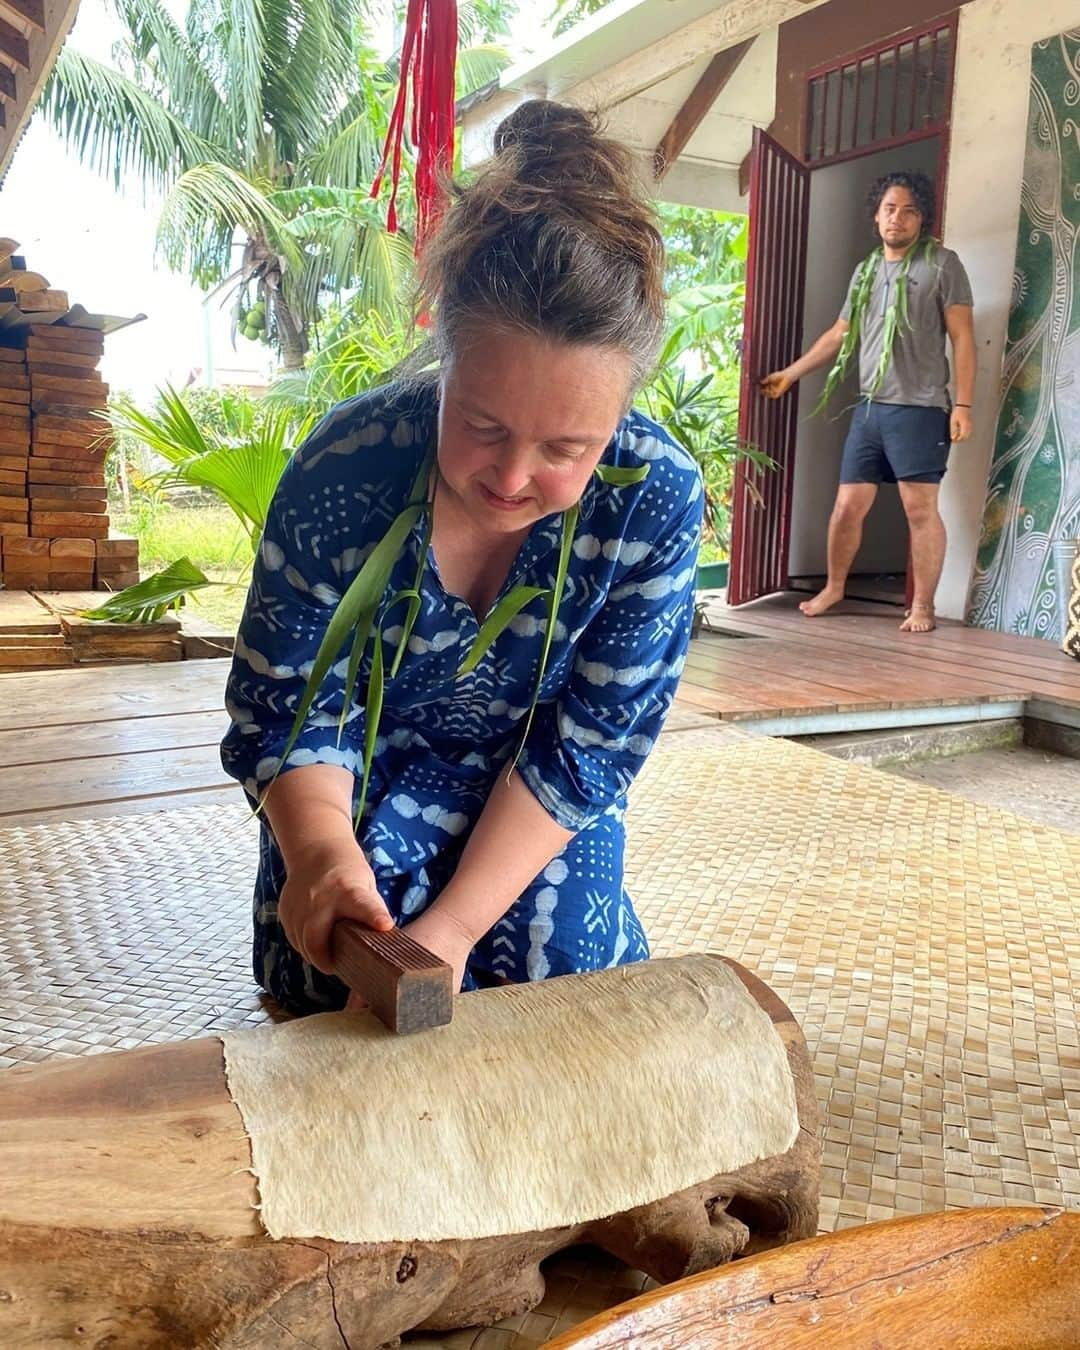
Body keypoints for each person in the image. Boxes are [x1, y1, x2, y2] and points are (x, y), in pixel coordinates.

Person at [220, 100, 704, 1015]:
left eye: (567, 447)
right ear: (443, 348)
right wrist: (321, 854)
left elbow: (589, 750)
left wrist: (449, 937)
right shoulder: (346, 467)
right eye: (483, 426)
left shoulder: (655, 499)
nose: (515, 475)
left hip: (534, 794)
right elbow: (287, 703)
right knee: (327, 971)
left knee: (565, 971)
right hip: (357, 775)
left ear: (620, 414)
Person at [761, 171, 975, 633]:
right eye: (890, 209)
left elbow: (962, 336)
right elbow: (840, 335)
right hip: (870, 409)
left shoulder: (942, 264)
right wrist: (791, 373)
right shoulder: (866, 270)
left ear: (923, 218)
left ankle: (923, 606)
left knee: (920, 510)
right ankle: (835, 587)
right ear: (876, 216)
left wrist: (963, 405)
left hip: (920, 410)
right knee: (846, 506)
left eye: (909, 210)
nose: (897, 218)